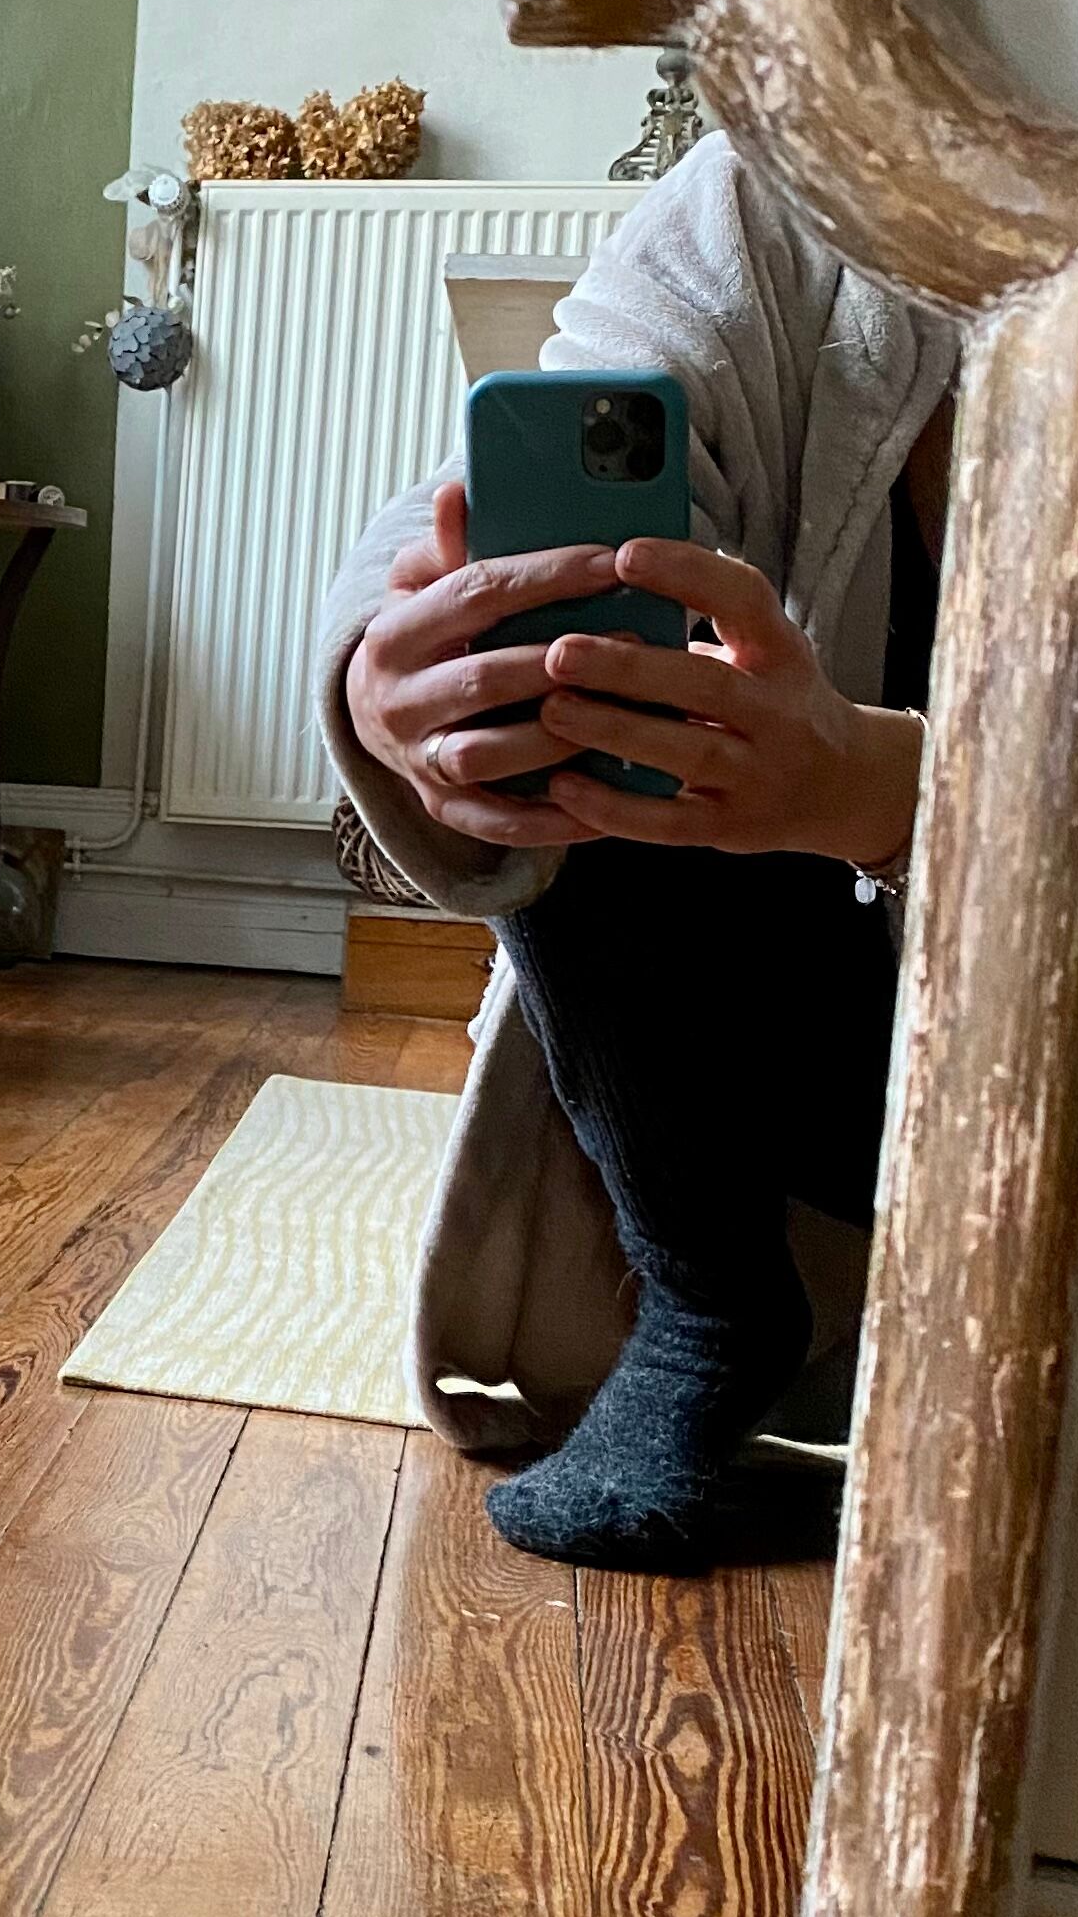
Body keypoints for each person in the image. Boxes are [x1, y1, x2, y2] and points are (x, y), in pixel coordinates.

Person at [319, 131, 962, 1571]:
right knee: (572, 688)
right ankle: (714, 1302)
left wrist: (874, 786)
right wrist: (389, 674)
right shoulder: (782, 188)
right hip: (795, 1014)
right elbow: (517, 443)